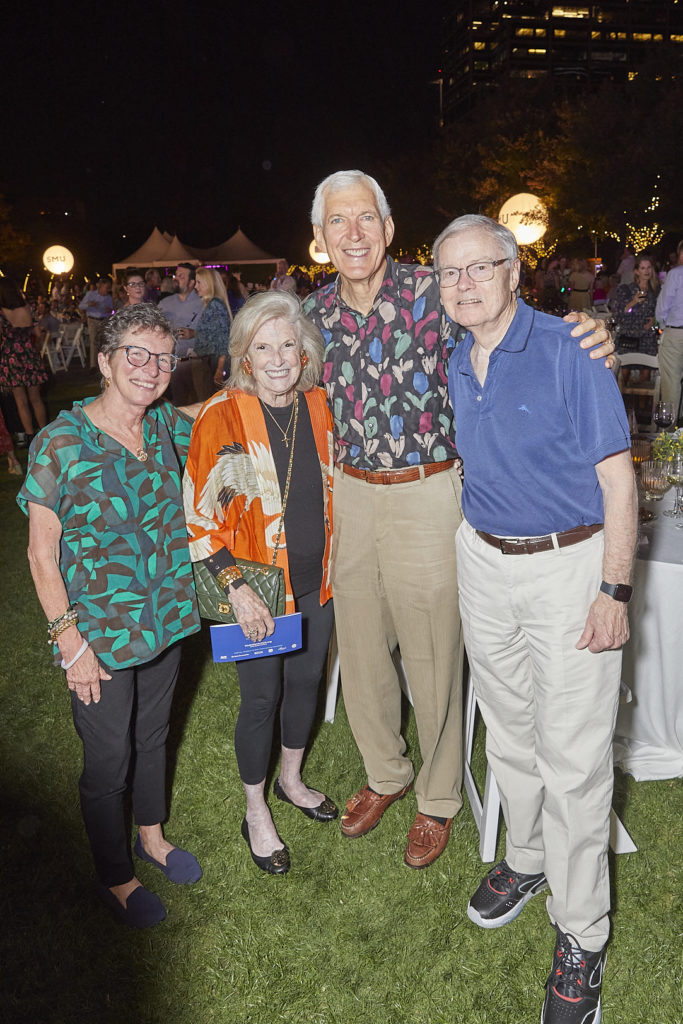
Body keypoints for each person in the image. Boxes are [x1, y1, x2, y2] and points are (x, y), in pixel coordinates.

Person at [304, 169, 615, 870]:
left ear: (386, 230)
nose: (352, 234)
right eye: (336, 223)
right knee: (357, 650)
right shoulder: (311, 314)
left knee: (433, 653)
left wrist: (584, 328)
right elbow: (263, 375)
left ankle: (438, 798)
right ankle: (386, 773)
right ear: (320, 239)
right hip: (349, 491)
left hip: (428, 488)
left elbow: (512, 322)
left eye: (365, 220)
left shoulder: (434, 290)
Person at [434, 214, 637, 1024]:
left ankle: (581, 934)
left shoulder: (567, 351)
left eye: (479, 269)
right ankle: (525, 856)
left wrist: (612, 593)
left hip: (568, 567)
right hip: (483, 560)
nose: (463, 285)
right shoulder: (455, 358)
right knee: (510, 731)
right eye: (448, 274)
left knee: (576, 757)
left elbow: (619, 485)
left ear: (515, 271)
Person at [18, 304, 203, 929]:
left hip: (167, 619)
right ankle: (114, 874)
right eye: (137, 356)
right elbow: (40, 555)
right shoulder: (61, 443)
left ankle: (151, 838)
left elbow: (215, 419)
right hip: (97, 636)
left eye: (163, 359)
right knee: (107, 761)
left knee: (153, 739)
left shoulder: (165, 429)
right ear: (105, 361)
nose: (152, 370)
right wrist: (69, 642)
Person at [183, 291, 336, 876]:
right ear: (244, 356)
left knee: (305, 684)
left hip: (317, 582)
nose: (276, 358)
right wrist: (236, 589)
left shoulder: (321, 407)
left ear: (305, 353)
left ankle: (293, 779)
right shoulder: (221, 414)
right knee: (261, 698)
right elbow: (197, 515)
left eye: (288, 345)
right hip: (256, 590)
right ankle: (255, 808)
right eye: (262, 347)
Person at [0, 276, 48, 442]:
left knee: (21, 401)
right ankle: (44, 432)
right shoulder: (29, 307)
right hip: (29, 355)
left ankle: (29, 435)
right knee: (36, 398)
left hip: (11, 358)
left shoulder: (2, 313)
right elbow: (37, 334)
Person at [158, 263, 204, 405]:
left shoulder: (203, 302)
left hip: (198, 364)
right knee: (178, 407)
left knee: (202, 406)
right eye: (176, 275)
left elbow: (215, 333)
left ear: (191, 283)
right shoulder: (165, 303)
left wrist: (194, 333)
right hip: (174, 365)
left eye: (181, 276)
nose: (176, 279)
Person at [192, 267, 232, 398]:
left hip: (213, 363)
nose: (195, 286)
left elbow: (224, 340)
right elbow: (213, 334)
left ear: (208, 283)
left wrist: (220, 369)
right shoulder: (211, 304)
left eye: (199, 282)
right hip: (210, 362)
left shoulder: (215, 305)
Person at [655, 238, 683, 422]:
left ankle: (670, 435)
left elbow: (663, 307)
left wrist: (663, 327)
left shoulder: (676, 274)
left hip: (677, 331)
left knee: (671, 381)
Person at [611, 253, 659, 355]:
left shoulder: (655, 291)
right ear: (637, 271)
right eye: (643, 268)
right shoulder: (626, 289)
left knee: (646, 369)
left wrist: (655, 321)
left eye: (649, 267)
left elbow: (661, 312)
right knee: (626, 369)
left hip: (647, 338)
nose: (646, 271)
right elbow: (618, 315)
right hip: (629, 337)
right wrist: (633, 302)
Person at [79, 278, 113, 367]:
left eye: (109, 288)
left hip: (104, 320)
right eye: (106, 288)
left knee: (104, 343)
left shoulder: (109, 297)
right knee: (93, 342)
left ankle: (104, 364)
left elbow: (112, 311)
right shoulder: (91, 294)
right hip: (93, 320)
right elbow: (81, 306)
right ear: (101, 287)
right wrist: (89, 305)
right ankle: (93, 365)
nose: (108, 290)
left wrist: (110, 310)